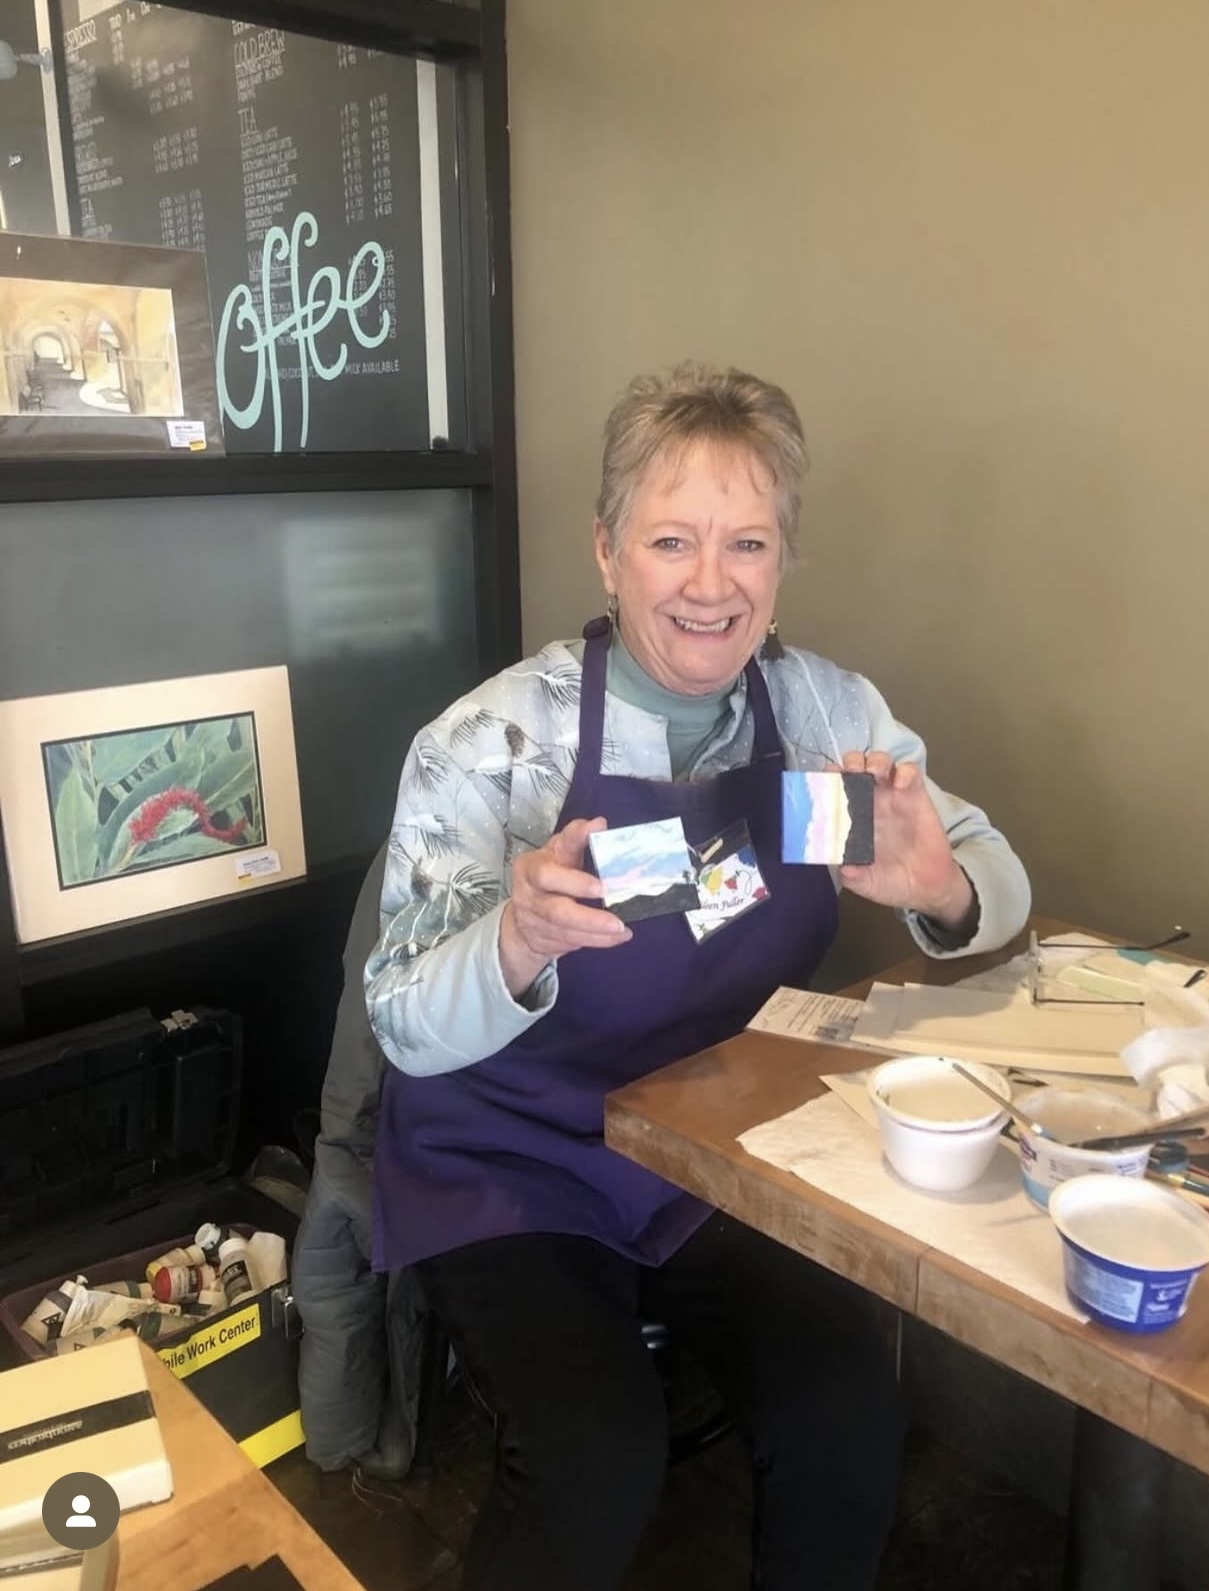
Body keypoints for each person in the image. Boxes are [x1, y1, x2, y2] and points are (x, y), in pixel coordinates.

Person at [366, 363, 1031, 1590]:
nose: (711, 584)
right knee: (596, 1456)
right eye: (673, 540)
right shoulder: (497, 745)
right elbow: (400, 1015)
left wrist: (944, 887)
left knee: (848, 1415)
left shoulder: (823, 718)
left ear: (783, 563)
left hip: (717, 1147)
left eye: (748, 543)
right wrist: (511, 941)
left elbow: (980, 864)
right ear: (609, 552)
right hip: (510, 1155)